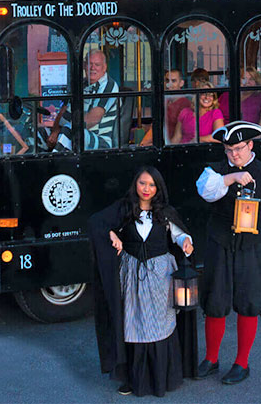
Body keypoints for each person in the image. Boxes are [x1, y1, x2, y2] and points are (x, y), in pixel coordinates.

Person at [194, 121, 261, 385]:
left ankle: (241, 363)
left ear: (251, 145)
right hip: (220, 243)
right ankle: (211, 359)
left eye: (239, 149)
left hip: (253, 246)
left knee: (249, 301)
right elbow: (206, 192)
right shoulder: (215, 172)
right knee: (215, 301)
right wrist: (231, 177)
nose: (234, 155)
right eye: (229, 150)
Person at [88, 166, 195, 397]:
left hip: (160, 275)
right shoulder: (124, 208)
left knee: (159, 324)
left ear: (158, 188)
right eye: (142, 183)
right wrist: (112, 234)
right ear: (135, 185)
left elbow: (179, 235)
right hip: (131, 274)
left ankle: (161, 378)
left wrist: (186, 241)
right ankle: (131, 378)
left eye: (151, 185)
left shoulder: (165, 212)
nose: (146, 189)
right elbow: (97, 223)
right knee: (133, 324)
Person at [48, 50, 120, 151]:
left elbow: (93, 119)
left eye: (97, 65)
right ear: (84, 65)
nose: (92, 68)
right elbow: (65, 110)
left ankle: (54, 163)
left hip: (100, 140)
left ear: (104, 68)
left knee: (71, 130)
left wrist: (65, 129)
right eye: (89, 64)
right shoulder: (81, 84)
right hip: (73, 131)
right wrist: (55, 131)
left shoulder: (109, 86)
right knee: (40, 132)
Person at [140, 69, 190, 146]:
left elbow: (183, 134)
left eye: (173, 81)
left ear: (181, 83)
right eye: (167, 81)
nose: (169, 85)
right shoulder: (164, 101)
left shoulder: (185, 104)